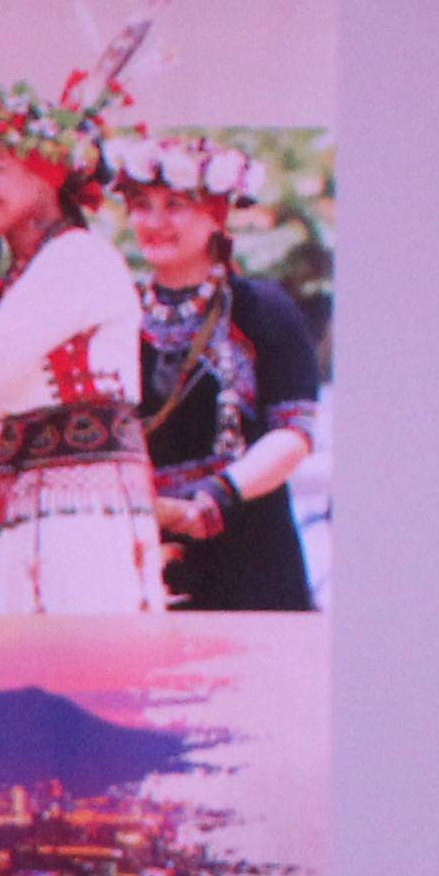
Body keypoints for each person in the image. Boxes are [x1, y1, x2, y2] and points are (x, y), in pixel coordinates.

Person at [0, 76, 162, 614]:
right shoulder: (23, 273)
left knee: (79, 659)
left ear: (45, 177)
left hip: (83, 524)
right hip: (33, 511)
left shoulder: (77, 258)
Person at [119, 133, 324, 612]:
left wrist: (217, 493)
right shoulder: (118, 313)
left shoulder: (261, 309)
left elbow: (294, 433)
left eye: (175, 205)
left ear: (216, 214)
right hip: (145, 549)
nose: (154, 222)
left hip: (248, 552)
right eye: (142, 205)